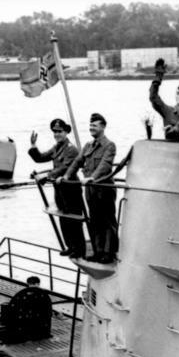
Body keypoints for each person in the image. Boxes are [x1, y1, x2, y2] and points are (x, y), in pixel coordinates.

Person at [62, 113, 118, 264]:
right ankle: (98, 251)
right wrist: (67, 176)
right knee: (95, 221)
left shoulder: (109, 145)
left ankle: (108, 252)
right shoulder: (88, 146)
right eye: (90, 125)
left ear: (103, 127)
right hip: (90, 189)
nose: (91, 128)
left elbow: (105, 165)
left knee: (107, 221)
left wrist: (92, 177)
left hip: (104, 188)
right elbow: (77, 161)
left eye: (94, 125)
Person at [29, 118, 86, 258]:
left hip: (71, 189)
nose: (57, 134)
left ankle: (79, 249)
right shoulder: (56, 147)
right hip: (59, 189)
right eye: (55, 132)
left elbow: (64, 167)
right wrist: (33, 145)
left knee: (74, 220)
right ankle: (70, 246)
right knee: (63, 218)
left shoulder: (71, 149)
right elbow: (40, 158)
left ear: (66, 132)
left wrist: (47, 176)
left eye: (59, 131)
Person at [2, 276, 52, 341]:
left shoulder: (22, 294)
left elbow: (14, 308)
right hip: (40, 326)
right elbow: (48, 311)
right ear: (38, 283)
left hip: (23, 326)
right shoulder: (43, 295)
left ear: (28, 283)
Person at [149, 58, 179, 140]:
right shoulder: (168, 111)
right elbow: (153, 97)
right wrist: (158, 78)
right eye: (178, 93)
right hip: (171, 148)